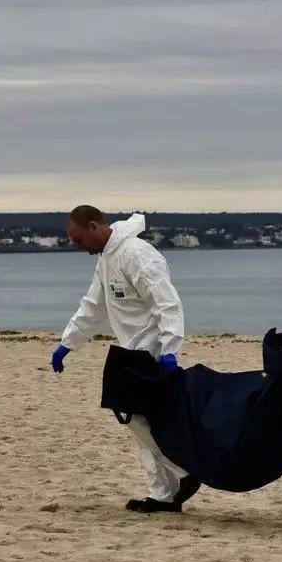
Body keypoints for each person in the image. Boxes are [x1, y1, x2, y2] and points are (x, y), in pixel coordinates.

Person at [50, 205, 201, 513]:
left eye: (78, 239)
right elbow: (94, 306)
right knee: (137, 420)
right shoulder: (106, 259)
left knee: (138, 417)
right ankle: (165, 493)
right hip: (130, 350)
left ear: (95, 226)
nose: (76, 246)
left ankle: (182, 474)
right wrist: (68, 343)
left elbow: (167, 303)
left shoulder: (137, 254)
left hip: (153, 349)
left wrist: (170, 352)